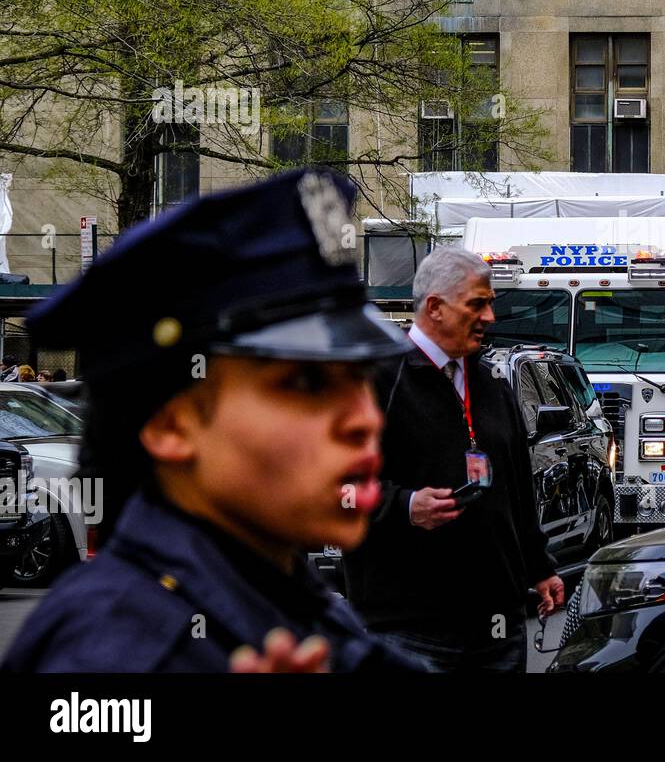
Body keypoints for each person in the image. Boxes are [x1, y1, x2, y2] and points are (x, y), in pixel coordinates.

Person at [2, 169, 424, 673]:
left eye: (365, 380)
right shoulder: (110, 650)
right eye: (307, 385)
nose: (365, 419)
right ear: (170, 426)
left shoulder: (284, 597)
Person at [343, 247, 562, 672]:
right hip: (408, 629)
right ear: (435, 308)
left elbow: (517, 492)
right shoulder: (374, 382)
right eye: (477, 304)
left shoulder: (494, 385)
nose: (490, 318)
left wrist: (540, 568)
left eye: (491, 305)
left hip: (498, 627)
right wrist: (406, 507)